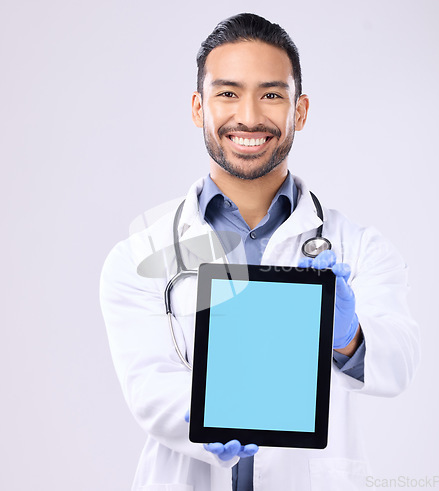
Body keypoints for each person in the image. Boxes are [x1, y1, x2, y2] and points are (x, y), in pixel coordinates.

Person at [100, 13, 420, 491]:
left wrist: (348, 336)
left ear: (301, 111)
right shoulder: (139, 256)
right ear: (197, 108)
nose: (249, 116)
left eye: (272, 94)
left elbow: (399, 361)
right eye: (227, 93)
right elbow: (147, 385)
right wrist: (205, 416)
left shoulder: (358, 248)